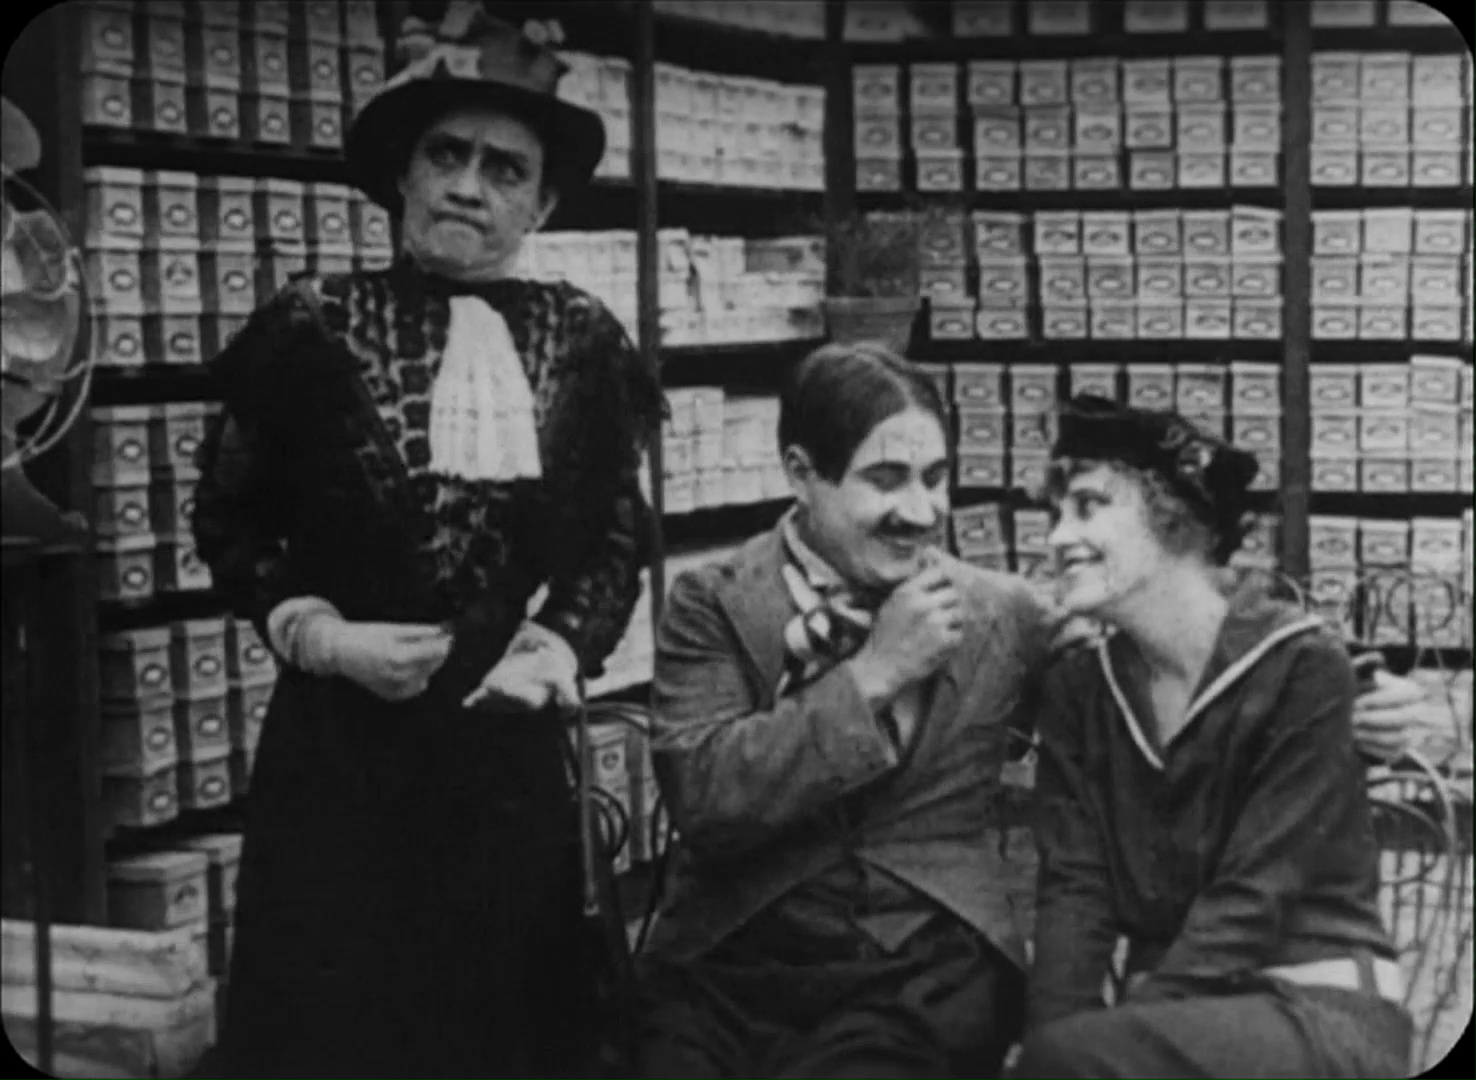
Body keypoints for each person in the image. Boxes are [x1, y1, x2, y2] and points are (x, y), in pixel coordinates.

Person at [190, 6, 662, 1078]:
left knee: (501, 1026)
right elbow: (228, 514)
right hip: (337, 754)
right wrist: (318, 635)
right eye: (446, 155)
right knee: (335, 1027)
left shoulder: (581, 338)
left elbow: (612, 536)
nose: (468, 186)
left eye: (505, 169)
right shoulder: (311, 322)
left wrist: (556, 648)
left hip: (503, 757)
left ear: (541, 203)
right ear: (400, 176)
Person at [1013, 395, 1413, 1079]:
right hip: (1165, 1025)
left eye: (1088, 507)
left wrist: (1086, 1046)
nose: (1056, 537)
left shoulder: (1301, 666)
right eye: (1056, 514)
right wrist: (1051, 1042)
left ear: (1171, 518)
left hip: (1318, 1005)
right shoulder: (1080, 690)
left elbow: (1257, 894)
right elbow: (1074, 895)